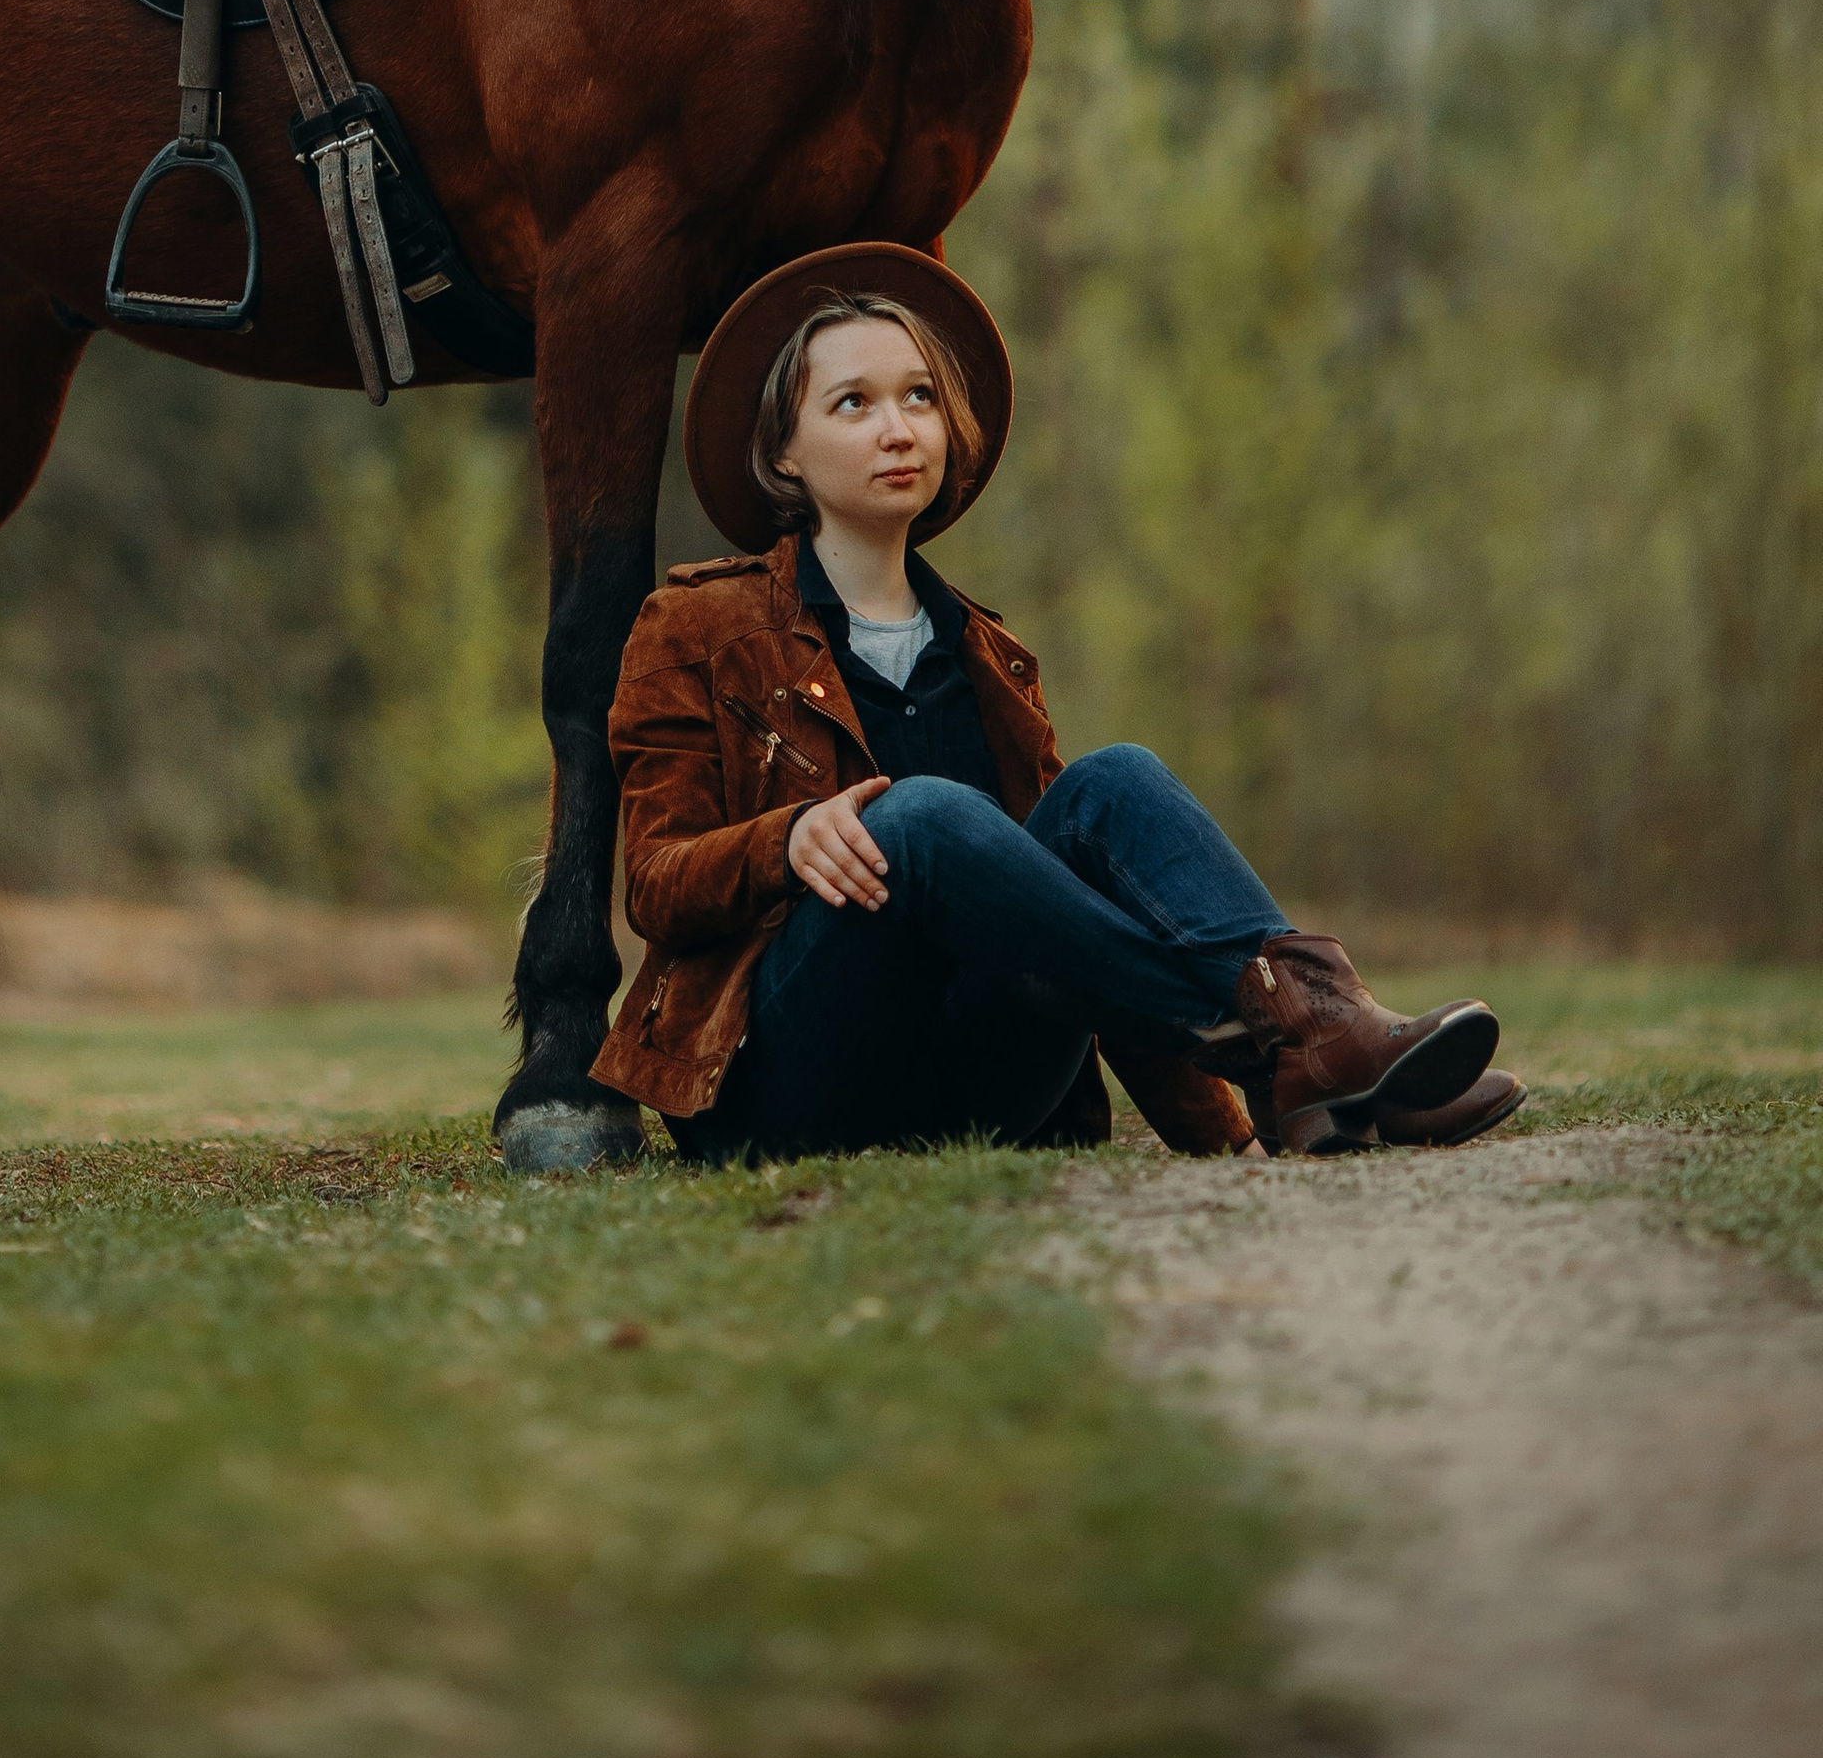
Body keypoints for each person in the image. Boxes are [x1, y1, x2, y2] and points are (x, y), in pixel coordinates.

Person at [596, 242, 1524, 1164]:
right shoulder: (697, 625)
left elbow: (1074, 922)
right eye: (854, 404)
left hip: (983, 1079)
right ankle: (1311, 1047)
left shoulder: (991, 654)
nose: (899, 428)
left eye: (919, 395)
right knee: (915, 817)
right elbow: (654, 885)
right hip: (787, 1077)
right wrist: (787, 840)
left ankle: (1314, 1047)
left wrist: (1221, 1137)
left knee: (1112, 781)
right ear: (783, 454)